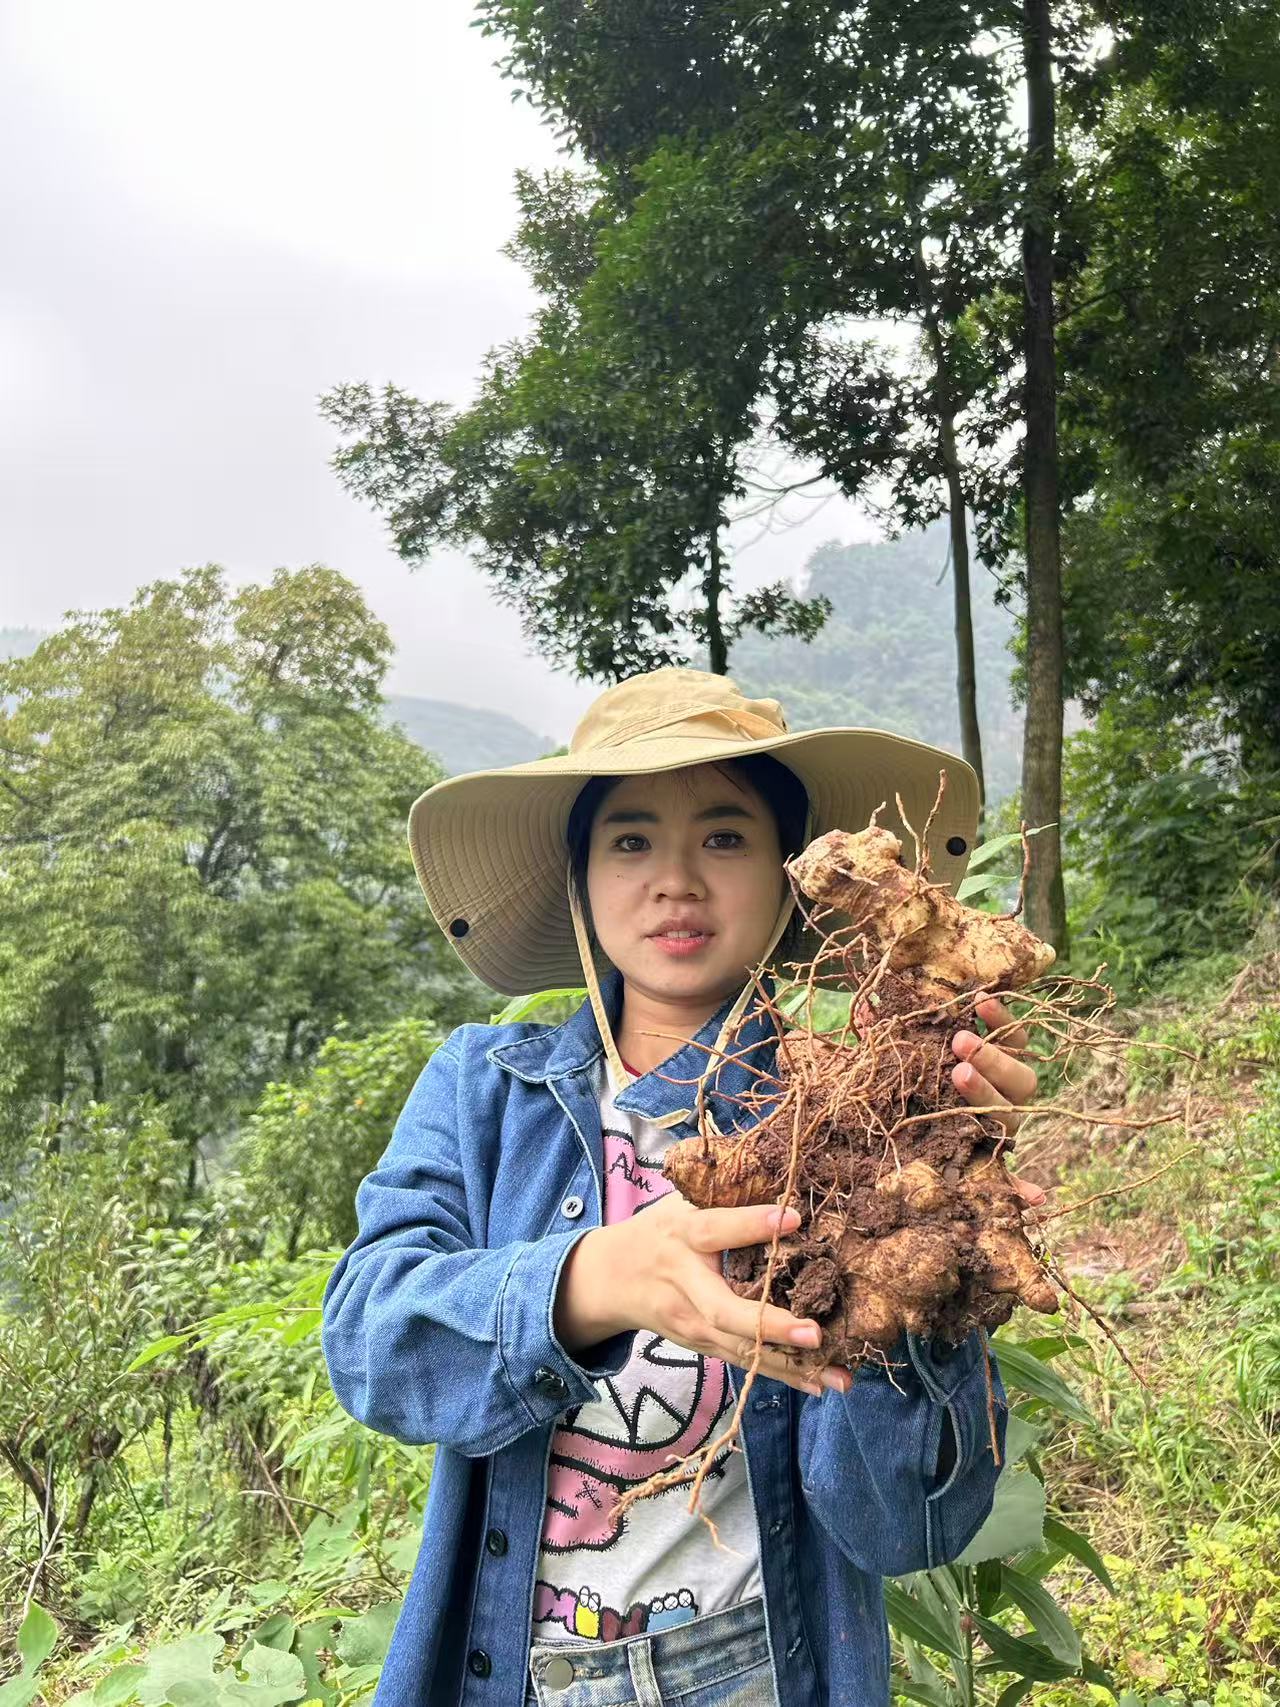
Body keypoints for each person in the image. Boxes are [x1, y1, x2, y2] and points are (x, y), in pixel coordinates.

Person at [321, 667, 1045, 1707]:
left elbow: (904, 1529)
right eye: (629, 840)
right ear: (578, 880)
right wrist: (595, 1281)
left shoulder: (853, 1122)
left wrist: (939, 1216)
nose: (675, 880)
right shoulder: (483, 1091)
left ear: (791, 878)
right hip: (521, 1676)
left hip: (761, 1670)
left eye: (724, 837)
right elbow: (369, 1345)